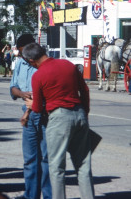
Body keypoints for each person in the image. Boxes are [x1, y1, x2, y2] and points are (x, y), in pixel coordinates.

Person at [22, 43, 95, 199]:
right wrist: (85, 112)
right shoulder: (67, 64)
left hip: (59, 118)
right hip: (79, 113)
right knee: (83, 165)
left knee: (57, 168)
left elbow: (37, 108)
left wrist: (30, 105)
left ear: (31, 61)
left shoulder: (38, 75)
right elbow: (85, 90)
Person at [10, 34, 52, 199]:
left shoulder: (45, 64)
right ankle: (31, 195)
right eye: (21, 54)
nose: (22, 57)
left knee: (47, 159)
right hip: (27, 116)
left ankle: (49, 195)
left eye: (23, 53)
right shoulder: (21, 63)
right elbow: (13, 88)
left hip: (45, 116)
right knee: (30, 160)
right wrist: (22, 93)